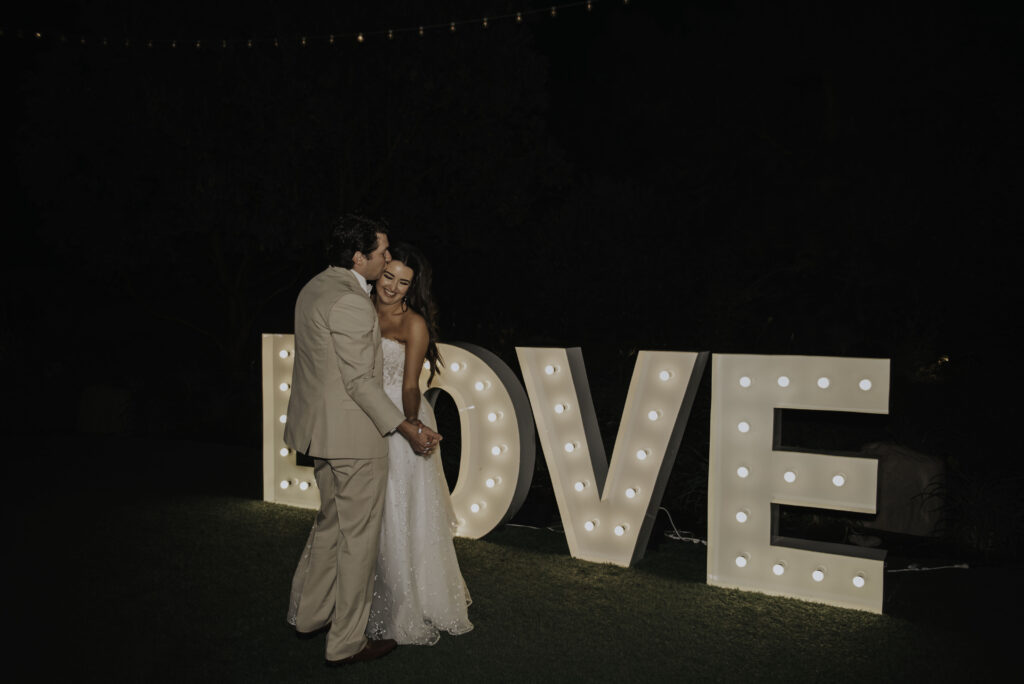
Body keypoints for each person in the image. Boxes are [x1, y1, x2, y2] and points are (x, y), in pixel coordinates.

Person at [284, 215, 442, 666]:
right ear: (360, 258)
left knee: (330, 526)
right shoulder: (353, 303)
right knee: (358, 542)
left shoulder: (314, 287)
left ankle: (310, 617)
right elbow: (359, 382)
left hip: (320, 436)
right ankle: (347, 642)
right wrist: (407, 427)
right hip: (355, 438)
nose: (388, 258)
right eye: (382, 254)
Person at [366, 242, 474, 644]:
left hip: (402, 419)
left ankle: (408, 604)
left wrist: (411, 426)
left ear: (412, 288)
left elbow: (411, 386)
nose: (392, 287)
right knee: (368, 512)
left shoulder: (413, 324)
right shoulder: (357, 309)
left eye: (403, 282)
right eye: (389, 276)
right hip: (363, 416)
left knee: (401, 511)